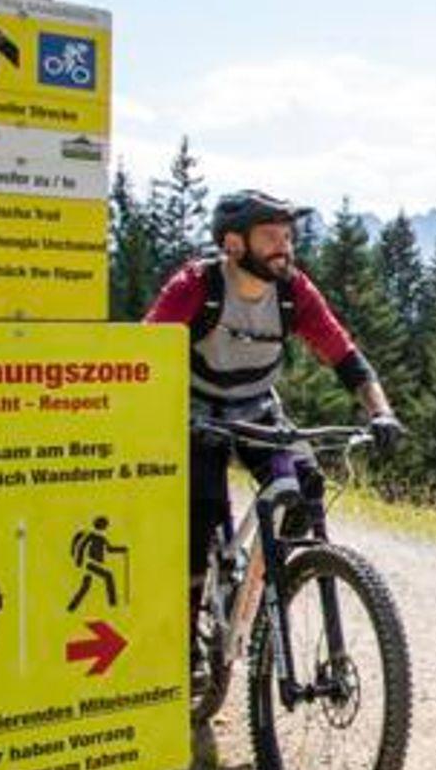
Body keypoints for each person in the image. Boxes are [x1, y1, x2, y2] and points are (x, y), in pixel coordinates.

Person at [145, 190, 404, 643]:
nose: (285, 247)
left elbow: (345, 357)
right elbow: (142, 354)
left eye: (288, 236)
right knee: (200, 514)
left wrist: (381, 413)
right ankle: (184, 646)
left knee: (306, 487)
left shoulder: (293, 291)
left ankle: (268, 590)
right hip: (195, 415)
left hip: (259, 408)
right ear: (233, 244)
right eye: (270, 237)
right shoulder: (196, 286)